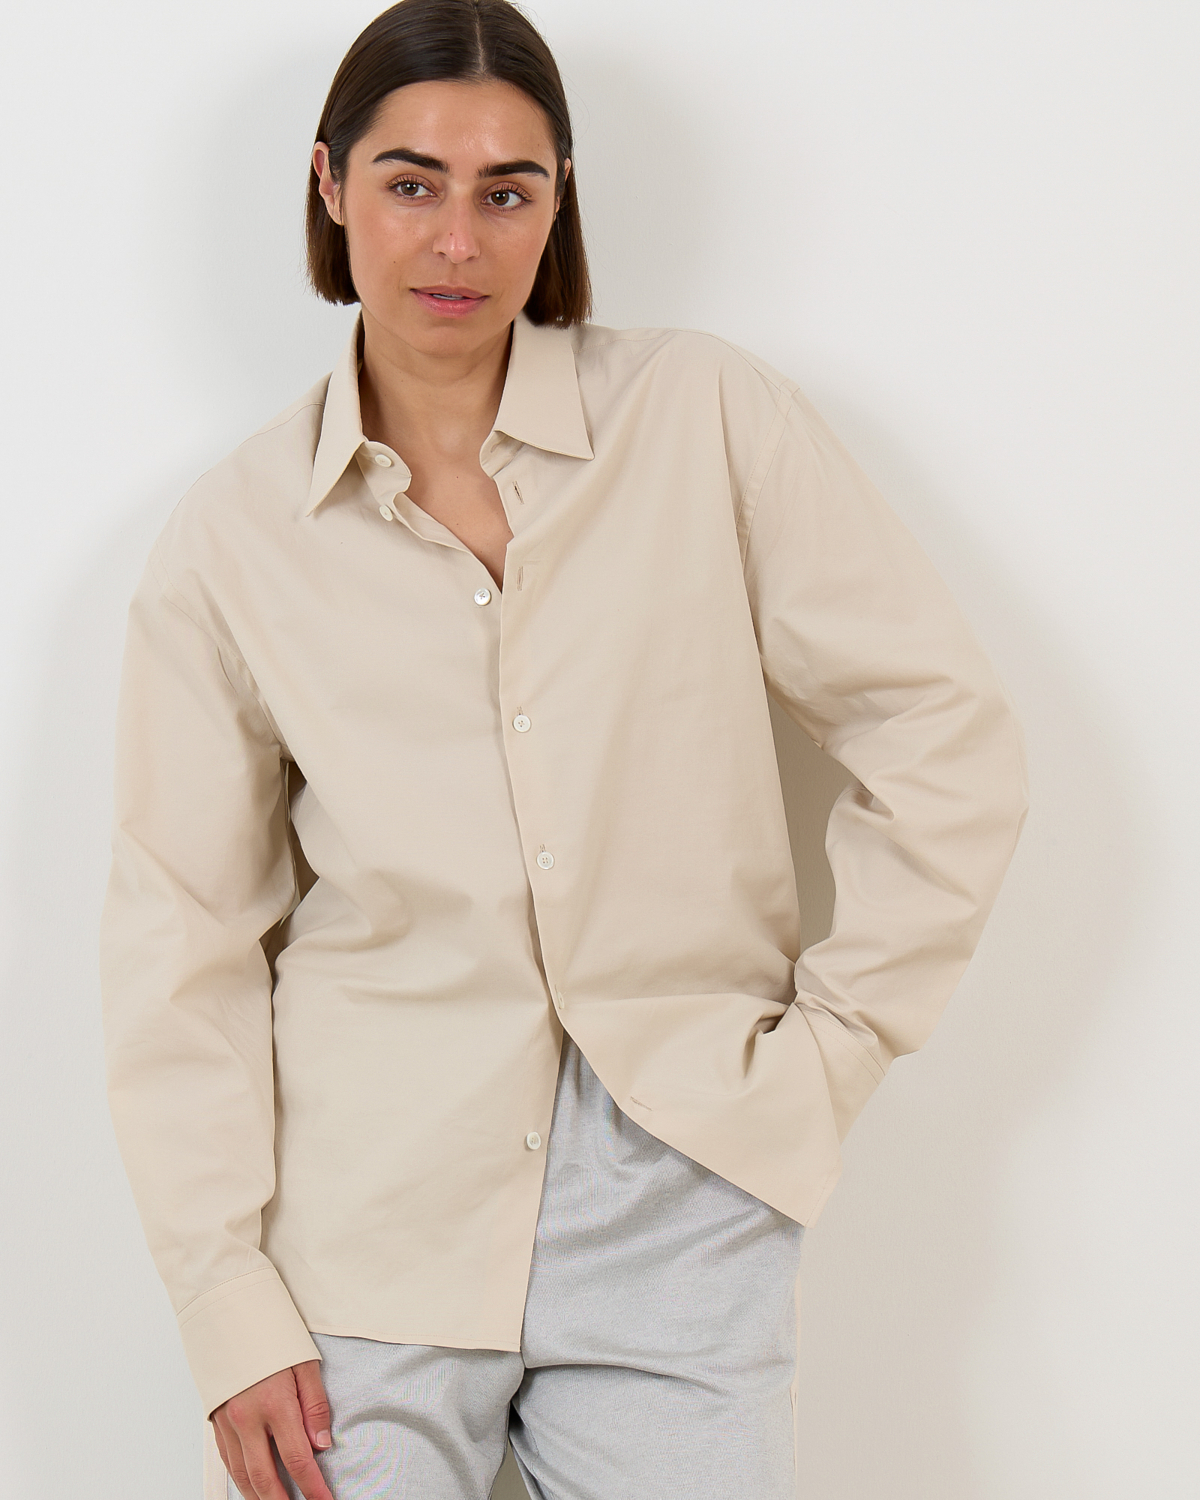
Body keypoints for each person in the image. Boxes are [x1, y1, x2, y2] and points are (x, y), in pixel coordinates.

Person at [98, 2, 1029, 1497]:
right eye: (410, 182)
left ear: (559, 201)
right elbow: (183, 937)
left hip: (680, 1192)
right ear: (330, 183)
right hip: (365, 1221)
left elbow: (943, 737)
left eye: (506, 190)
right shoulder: (233, 537)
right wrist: (225, 1298)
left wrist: (834, 1048)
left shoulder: (705, 415)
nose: (456, 239)